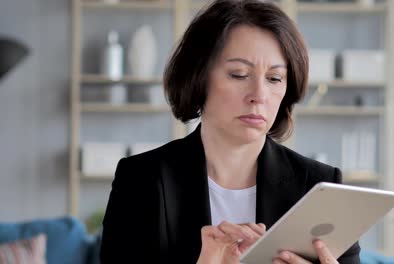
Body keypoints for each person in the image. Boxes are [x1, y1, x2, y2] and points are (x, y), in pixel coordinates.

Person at [100, 0, 360, 263]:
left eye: (274, 78)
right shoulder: (140, 180)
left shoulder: (319, 187)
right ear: (198, 78)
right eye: (238, 74)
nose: (258, 95)